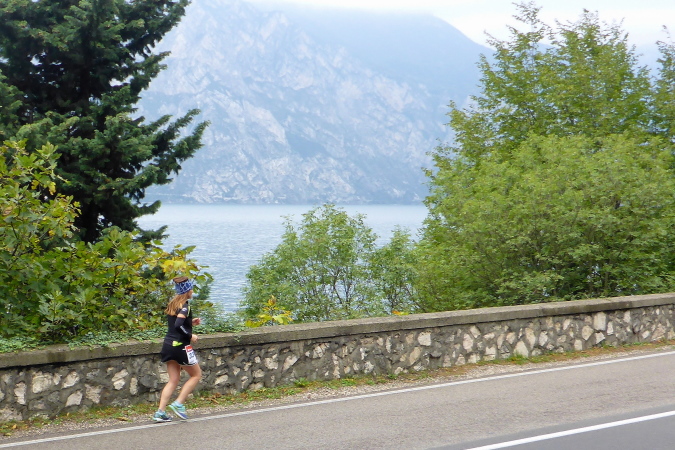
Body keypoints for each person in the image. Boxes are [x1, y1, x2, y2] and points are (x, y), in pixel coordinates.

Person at [153, 276, 202, 422]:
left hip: (168, 345)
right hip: (180, 346)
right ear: (187, 291)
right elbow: (178, 325)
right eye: (191, 289)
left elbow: (177, 322)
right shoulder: (185, 306)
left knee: (173, 380)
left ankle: (160, 412)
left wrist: (190, 322)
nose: (192, 291)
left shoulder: (173, 304)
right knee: (196, 375)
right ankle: (178, 403)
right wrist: (190, 335)